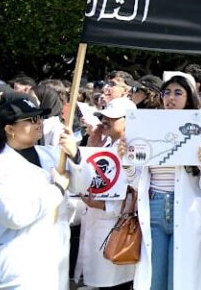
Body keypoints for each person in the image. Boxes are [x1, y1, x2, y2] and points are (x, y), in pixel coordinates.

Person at [120, 74, 201, 290]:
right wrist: (126, 161)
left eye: (178, 93)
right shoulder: (147, 129)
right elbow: (138, 182)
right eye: (166, 93)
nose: (170, 98)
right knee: (156, 278)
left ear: (189, 98)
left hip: (187, 210)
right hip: (154, 207)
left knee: (181, 280)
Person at [0, 97, 91, 289]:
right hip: (17, 263)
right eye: (30, 120)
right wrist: (57, 190)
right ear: (9, 129)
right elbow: (14, 216)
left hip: (53, 259)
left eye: (39, 118)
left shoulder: (52, 154)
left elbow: (81, 186)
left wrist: (75, 155)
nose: (38, 123)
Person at [75, 97, 137, 290]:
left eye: (112, 117)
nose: (104, 121)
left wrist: (103, 206)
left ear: (129, 120)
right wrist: (93, 146)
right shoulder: (107, 146)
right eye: (103, 117)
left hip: (117, 231)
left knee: (115, 283)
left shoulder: (136, 148)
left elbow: (137, 192)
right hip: (96, 227)